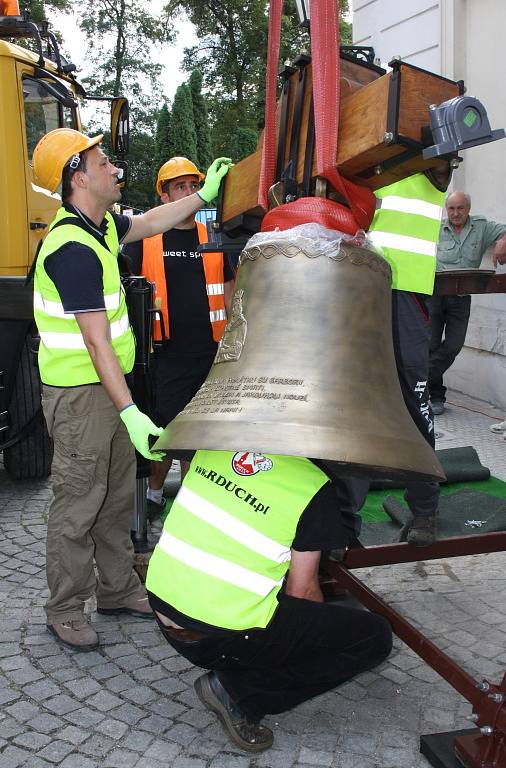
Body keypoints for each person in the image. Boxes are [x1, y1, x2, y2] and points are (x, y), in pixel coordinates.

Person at [32, 127, 231, 650]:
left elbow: (149, 221)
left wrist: (202, 197)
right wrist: (131, 411)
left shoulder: (98, 229)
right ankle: (66, 607)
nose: (114, 169)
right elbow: (97, 344)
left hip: (110, 393)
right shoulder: (71, 247)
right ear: (77, 176)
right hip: (83, 398)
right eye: (102, 162)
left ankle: (117, 588)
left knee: (118, 497)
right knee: (79, 503)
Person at [145, 449, 392, 753]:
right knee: (374, 636)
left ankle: (241, 667)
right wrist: (313, 638)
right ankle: (239, 693)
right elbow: (302, 592)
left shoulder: (215, 448)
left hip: (162, 606)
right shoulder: (312, 486)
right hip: (216, 634)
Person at [123, 157, 235, 521]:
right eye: (180, 187)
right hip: (165, 355)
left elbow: (231, 289)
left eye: (192, 185)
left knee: (197, 437)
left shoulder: (211, 237)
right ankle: (155, 495)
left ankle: (188, 509)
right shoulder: (147, 237)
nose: (188, 193)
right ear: (165, 194)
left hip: (209, 354)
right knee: (165, 433)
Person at [368, 163, 452, 546]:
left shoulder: (427, 154)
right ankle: (340, 519)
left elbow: (441, 157)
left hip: (405, 290)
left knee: (414, 403)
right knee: (355, 402)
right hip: (357, 283)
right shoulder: (365, 158)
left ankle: (424, 511)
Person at [428, 192, 506, 414]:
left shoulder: (481, 227)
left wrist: (502, 242)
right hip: (434, 294)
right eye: (451, 208)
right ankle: (434, 397)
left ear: (468, 208)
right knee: (431, 346)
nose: (455, 213)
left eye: (460, 208)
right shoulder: (435, 228)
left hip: (461, 298)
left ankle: (414, 383)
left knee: (453, 345)